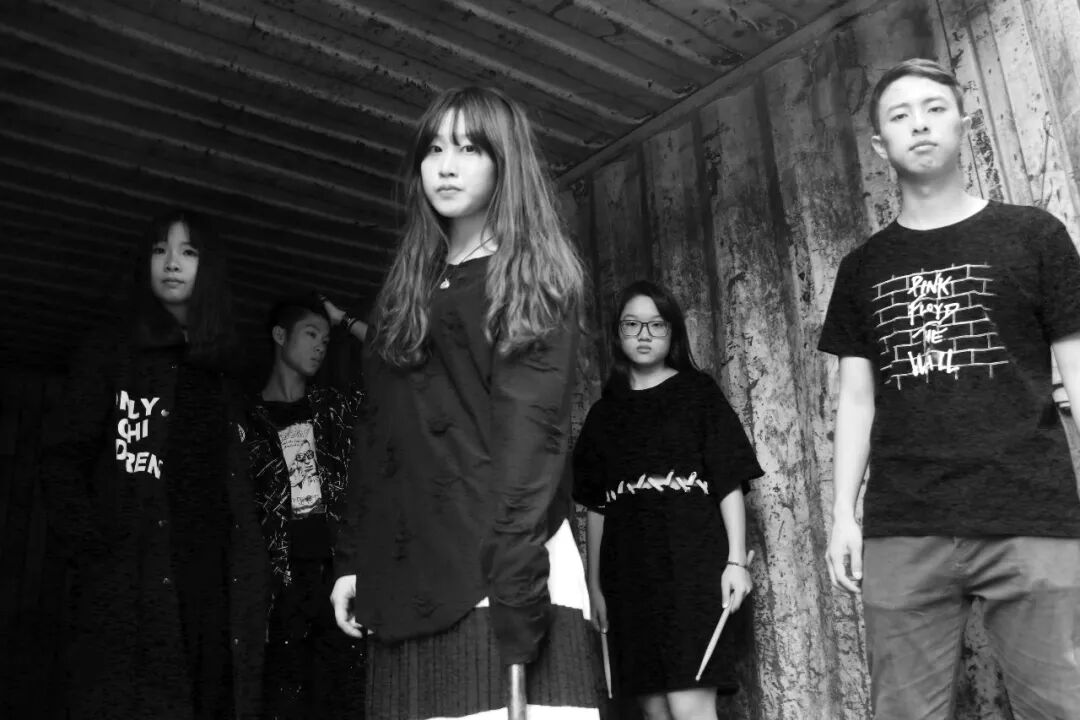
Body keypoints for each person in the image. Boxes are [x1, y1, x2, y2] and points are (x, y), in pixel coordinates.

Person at [819, 58, 1080, 719]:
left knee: (1061, 705)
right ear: (880, 144)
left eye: (935, 108)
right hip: (904, 524)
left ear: (964, 123)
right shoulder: (862, 268)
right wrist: (842, 513)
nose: (919, 124)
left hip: (1029, 509)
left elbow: (1077, 366)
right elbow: (856, 399)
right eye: (900, 115)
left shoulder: (1034, 234)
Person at [329, 86, 601, 719]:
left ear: (504, 162)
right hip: (405, 575)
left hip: (501, 569)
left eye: (470, 148)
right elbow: (378, 433)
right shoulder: (404, 293)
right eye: (434, 149)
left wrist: (517, 583)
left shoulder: (530, 278)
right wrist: (352, 558)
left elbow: (533, 438)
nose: (446, 166)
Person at [40, 210, 269, 720]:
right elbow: (61, 457)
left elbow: (242, 484)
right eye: (159, 250)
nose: (171, 263)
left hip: (214, 579)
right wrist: (95, 548)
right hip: (134, 576)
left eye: (188, 252)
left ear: (209, 268)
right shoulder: (111, 350)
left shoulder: (228, 373)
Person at [572, 280, 762, 720]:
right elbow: (596, 508)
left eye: (656, 325)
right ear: (617, 333)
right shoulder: (603, 415)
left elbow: (729, 481)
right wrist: (595, 587)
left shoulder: (699, 394)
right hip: (628, 578)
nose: (644, 334)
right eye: (632, 324)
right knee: (654, 708)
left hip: (692, 568)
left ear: (672, 332)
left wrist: (736, 562)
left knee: (688, 703)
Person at [246, 293, 367, 719]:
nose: (320, 346)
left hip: (337, 575)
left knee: (343, 696)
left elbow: (395, 364)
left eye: (325, 340)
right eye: (310, 334)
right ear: (280, 335)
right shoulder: (246, 418)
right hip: (279, 580)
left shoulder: (332, 408)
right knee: (283, 697)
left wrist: (344, 320)